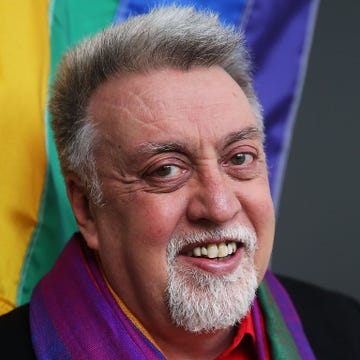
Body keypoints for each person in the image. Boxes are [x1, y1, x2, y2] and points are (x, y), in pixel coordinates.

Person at [0, 6, 359, 359]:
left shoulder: (346, 331)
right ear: (86, 208)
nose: (219, 207)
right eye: (166, 170)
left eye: (239, 158)